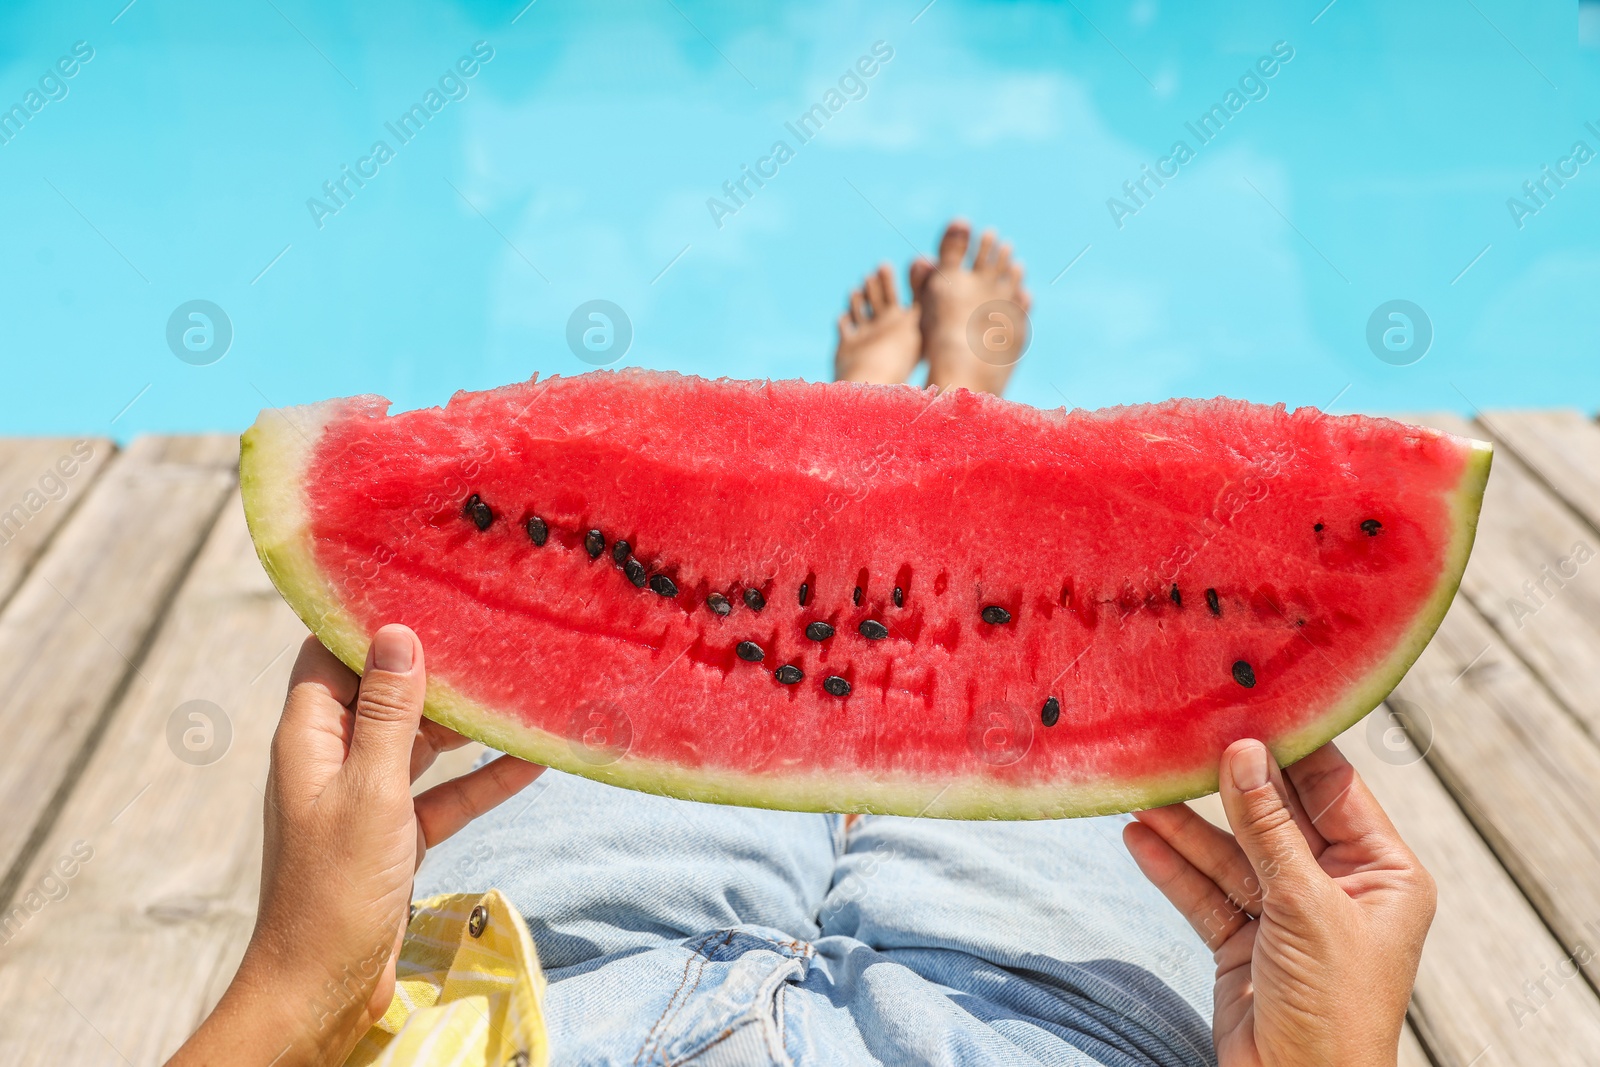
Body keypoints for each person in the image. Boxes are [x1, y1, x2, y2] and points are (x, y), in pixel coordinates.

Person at [169, 221, 1434, 1067]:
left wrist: (295, 987)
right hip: (1026, 1018)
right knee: (982, 667)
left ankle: (887, 437)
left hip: (553, 985)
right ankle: (943, 440)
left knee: (753, 646)